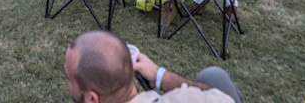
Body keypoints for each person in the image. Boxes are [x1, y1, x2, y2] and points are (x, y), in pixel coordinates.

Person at [64, 30, 240, 102]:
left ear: (92, 99)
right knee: (214, 76)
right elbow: (224, 96)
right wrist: (161, 76)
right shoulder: (186, 98)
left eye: (69, 79)